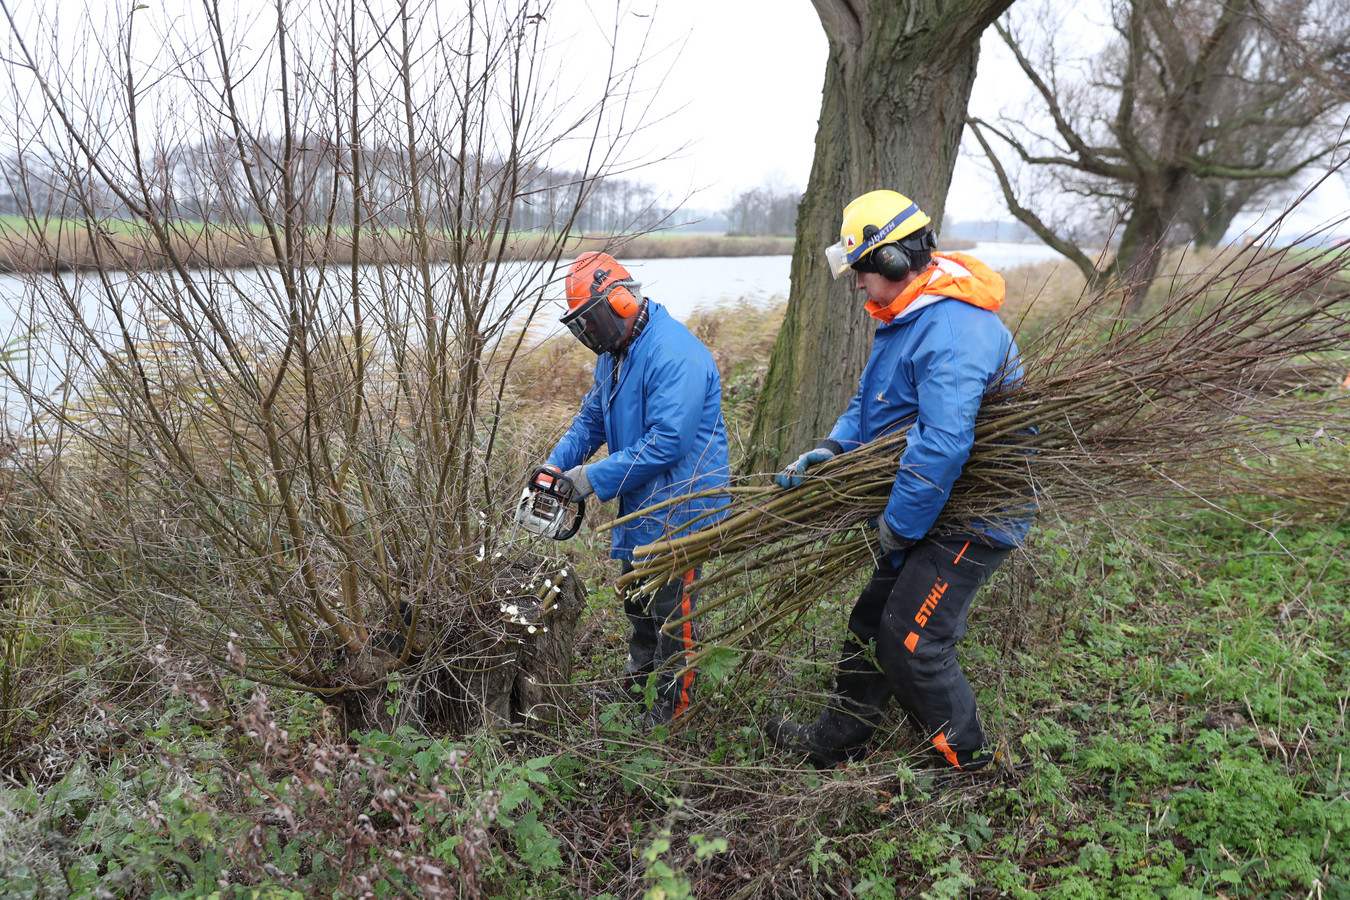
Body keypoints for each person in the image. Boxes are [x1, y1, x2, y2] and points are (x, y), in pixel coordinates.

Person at [766, 190, 1033, 771]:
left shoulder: (952, 330)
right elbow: (871, 405)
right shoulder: (908, 317)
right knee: (871, 623)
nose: (858, 282)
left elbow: (941, 445)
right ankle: (838, 738)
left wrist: (897, 526)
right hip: (931, 503)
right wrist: (832, 447)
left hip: (974, 513)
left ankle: (963, 763)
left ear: (890, 260)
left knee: (912, 641)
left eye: (862, 269)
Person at [542, 251, 730, 728]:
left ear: (621, 302)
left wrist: (587, 480)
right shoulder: (616, 354)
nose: (590, 335)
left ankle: (673, 708)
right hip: (643, 497)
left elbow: (667, 442)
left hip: (681, 504)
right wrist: (555, 465)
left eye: (593, 322)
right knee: (635, 596)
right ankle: (641, 676)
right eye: (581, 326)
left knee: (670, 609)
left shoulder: (674, 352)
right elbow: (591, 420)